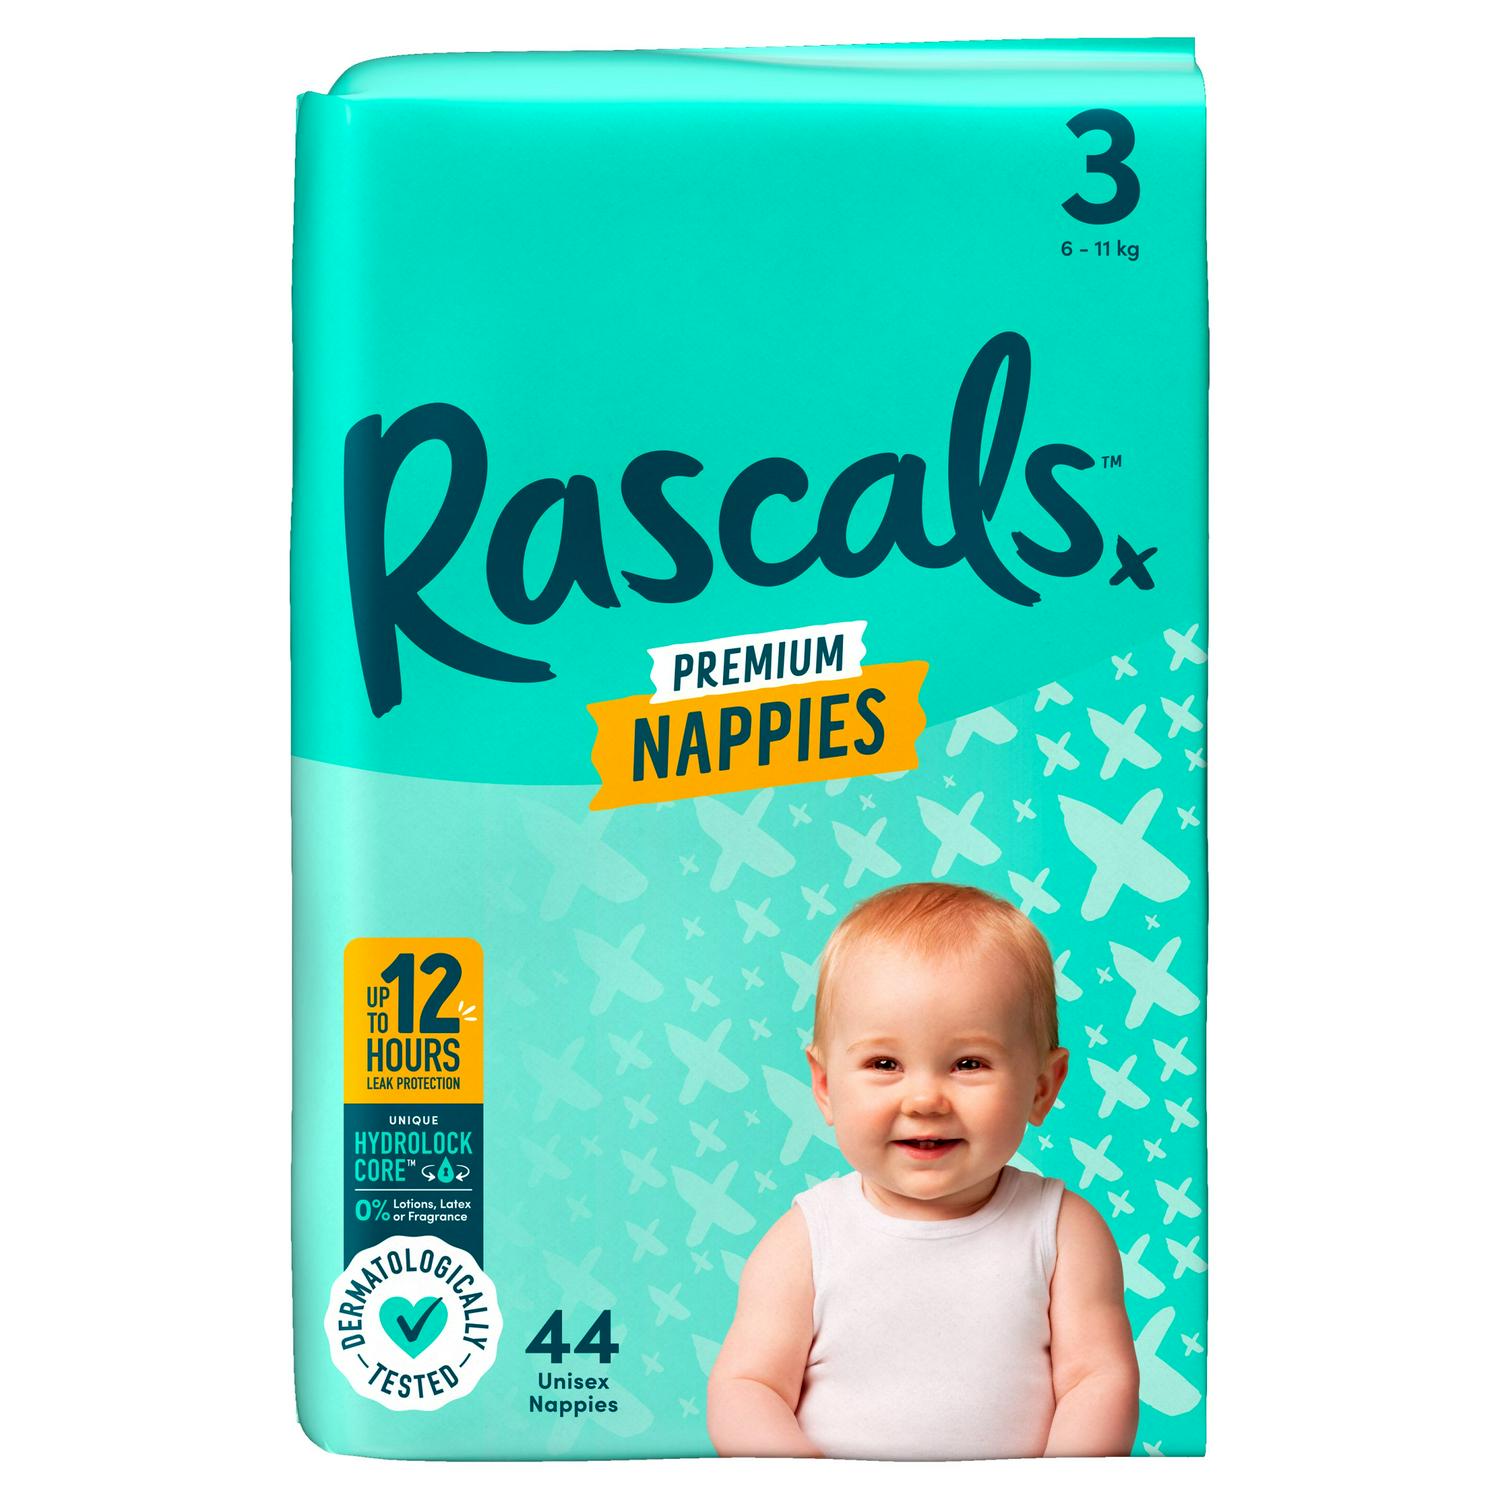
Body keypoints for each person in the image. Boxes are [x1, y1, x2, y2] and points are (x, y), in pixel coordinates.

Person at [707, 881, 1138, 1459]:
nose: (925, 1099)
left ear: (1042, 1087)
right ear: (826, 1086)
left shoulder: (1063, 1232)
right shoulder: (807, 1240)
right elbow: (746, 1388)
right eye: (885, 1063)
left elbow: (1098, 1380)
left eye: (969, 1063)